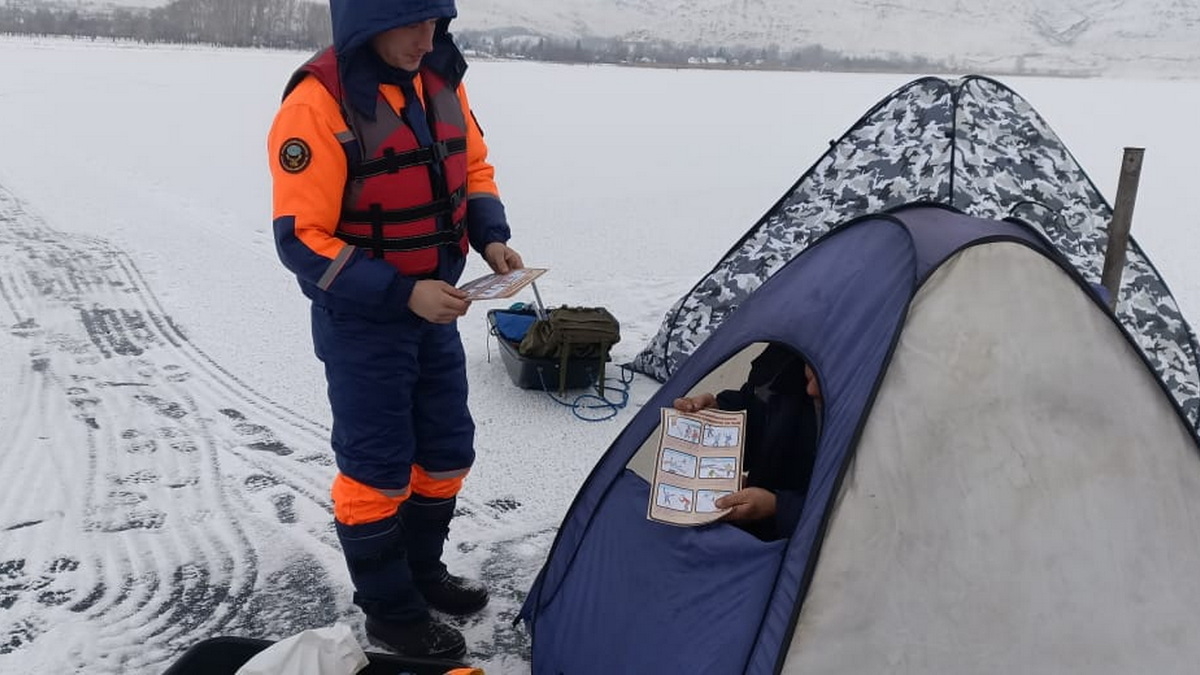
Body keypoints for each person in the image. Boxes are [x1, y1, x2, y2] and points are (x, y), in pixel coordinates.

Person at [267, 0, 522, 659]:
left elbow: (476, 168)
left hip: (437, 308)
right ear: (367, 19)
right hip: (364, 324)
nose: (426, 37)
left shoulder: (440, 76)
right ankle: (390, 612)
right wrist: (401, 291)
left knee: (444, 454)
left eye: (435, 21)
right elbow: (301, 239)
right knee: (377, 471)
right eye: (411, 23)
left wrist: (491, 239)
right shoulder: (318, 102)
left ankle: (420, 569)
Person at [673, 344, 821, 541]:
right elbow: (758, 411)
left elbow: (861, 513)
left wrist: (779, 507)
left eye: (827, 383)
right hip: (749, 532)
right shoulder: (782, 359)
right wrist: (718, 416)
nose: (811, 390)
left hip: (811, 551)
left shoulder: (874, 417)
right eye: (811, 373)